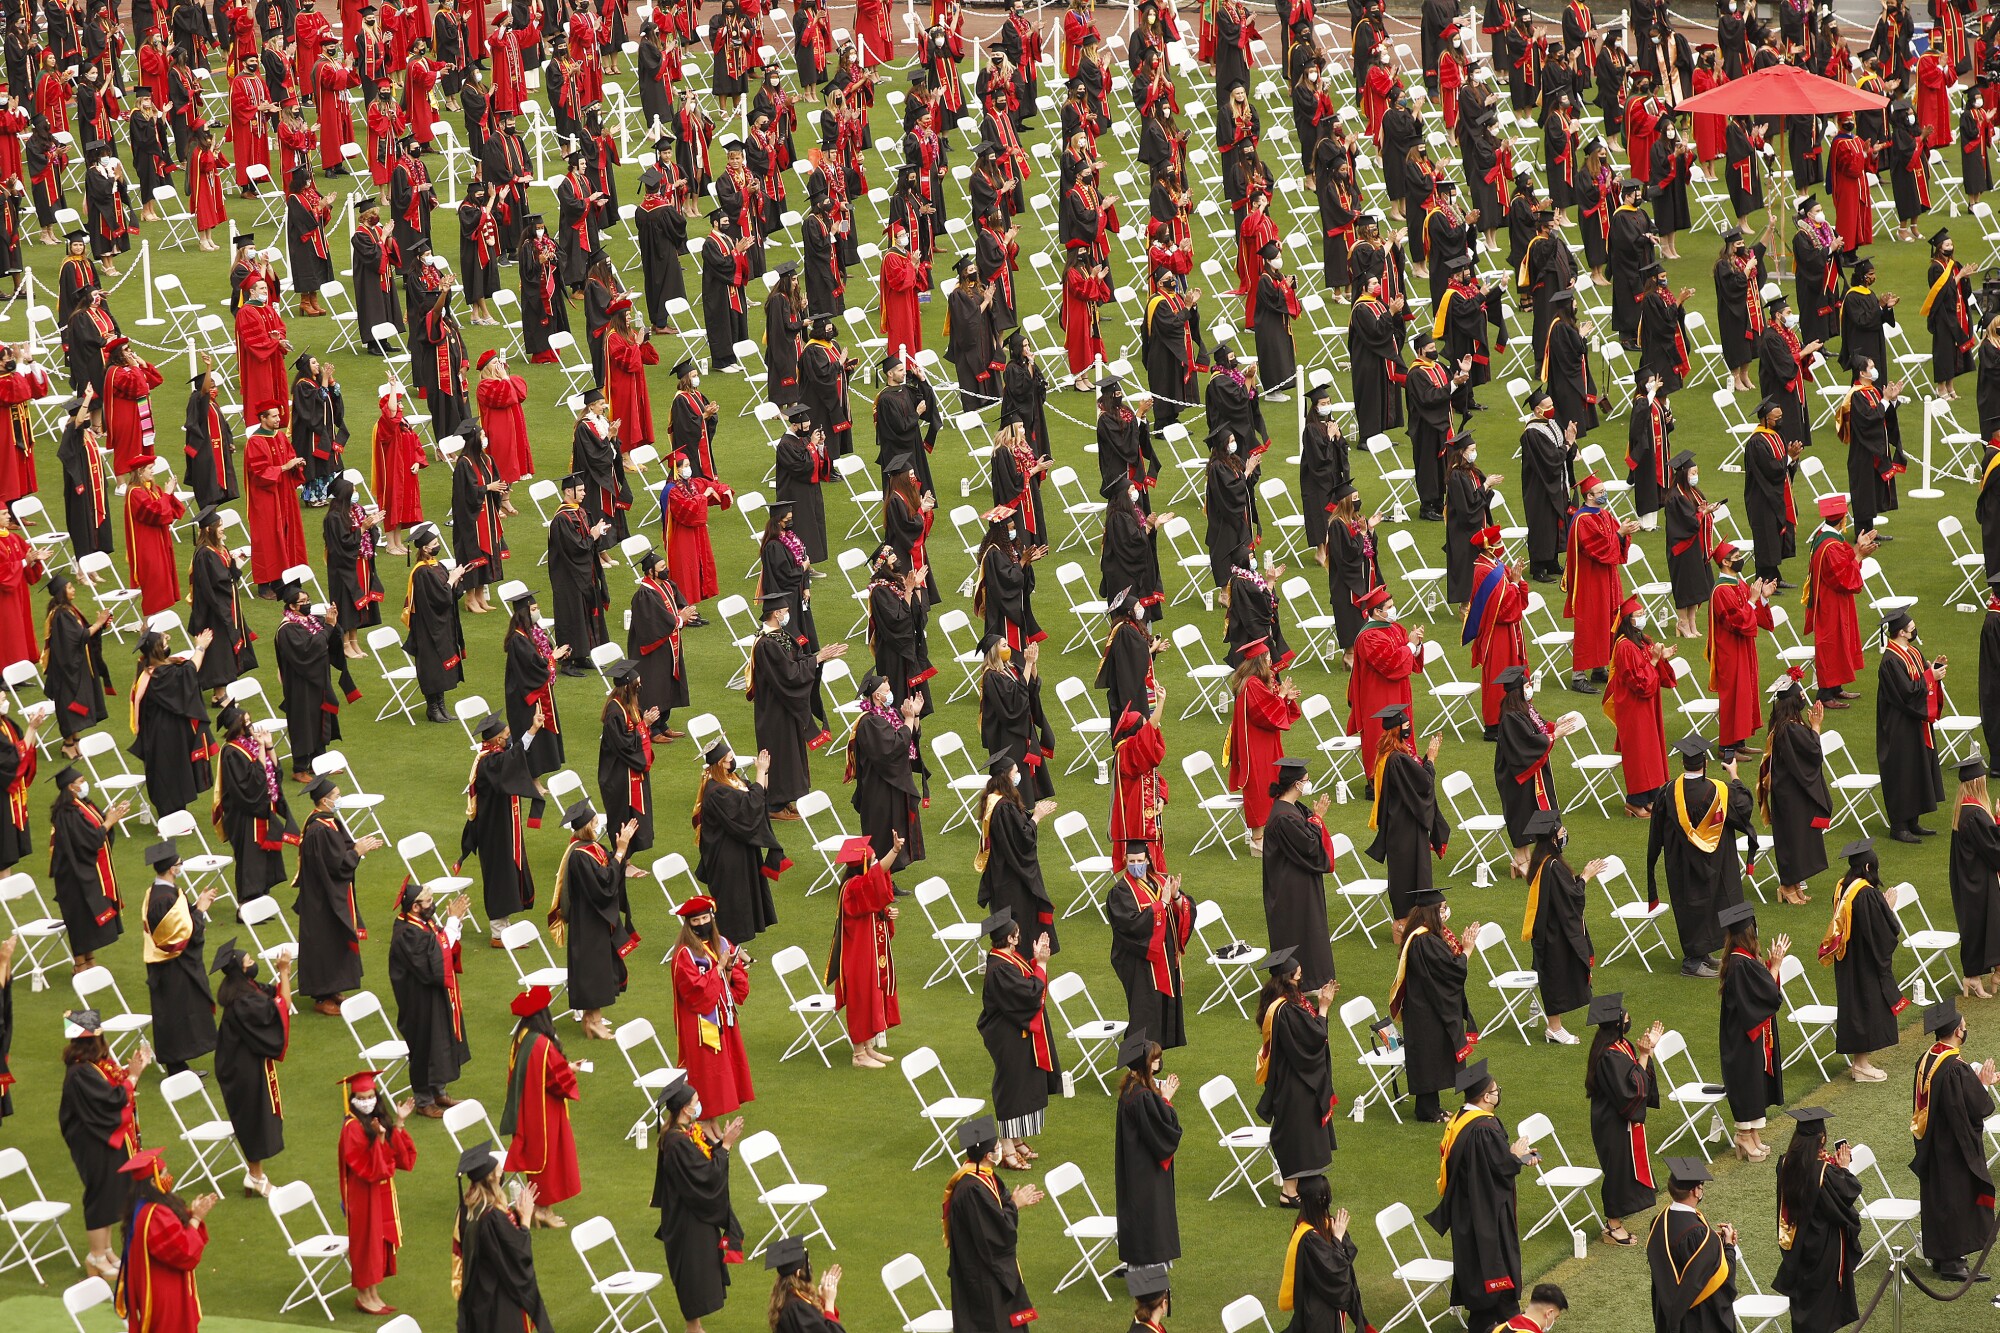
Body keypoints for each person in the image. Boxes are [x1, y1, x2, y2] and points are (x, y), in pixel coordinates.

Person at [1425, 1060, 1530, 1333]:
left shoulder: (1462, 1118)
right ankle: (1501, 1318)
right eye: (1495, 1090)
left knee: (1474, 1258)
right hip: (1484, 1208)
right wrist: (1515, 1159)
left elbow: (1486, 1161)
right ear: (1485, 1097)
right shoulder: (1482, 1128)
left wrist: (1516, 1157)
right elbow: (1496, 1169)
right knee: (1492, 1257)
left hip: (1467, 1204)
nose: (1498, 1093)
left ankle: (1484, 1318)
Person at [1646, 735, 1755, 977]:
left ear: (1684, 763)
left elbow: (1657, 830)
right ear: (1704, 762)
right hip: (1716, 859)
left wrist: (1655, 855)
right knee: (1713, 900)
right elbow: (1745, 807)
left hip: (1682, 862)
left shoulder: (1667, 791)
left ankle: (1701, 953)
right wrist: (1735, 776)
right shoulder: (1719, 791)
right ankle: (1691, 963)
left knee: (1691, 904)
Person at [650, 1071, 746, 1333]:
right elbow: (703, 1176)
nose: (699, 1104)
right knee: (693, 1270)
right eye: (696, 1100)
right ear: (684, 1108)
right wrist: (725, 1147)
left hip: (693, 1212)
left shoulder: (686, 1132)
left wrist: (720, 1146)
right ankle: (692, 1328)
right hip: (685, 1218)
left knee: (702, 1266)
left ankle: (696, 1326)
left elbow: (703, 1161)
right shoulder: (675, 1141)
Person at [1911, 999, 1999, 1283]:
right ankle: (1951, 1262)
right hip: (1952, 1146)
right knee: (1954, 1199)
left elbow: (1947, 1098)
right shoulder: (1953, 1067)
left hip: (1932, 1142)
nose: (1965, 1028)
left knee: (1938, 1197)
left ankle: (1941, 1256)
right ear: (1957, 1032)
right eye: (1964, 1025)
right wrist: (1983, 1083)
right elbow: (1973, 1109)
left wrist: (1973, 1081)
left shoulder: (1928, 1058)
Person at [60, 1009, 146, 1278]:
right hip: (93, 1141)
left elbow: (110, 1089)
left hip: (105, 1138)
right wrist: (132, 1077)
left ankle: (106, 1249)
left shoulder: (94, 1066)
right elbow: (109, 1102)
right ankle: (95, 1257)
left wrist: (129, 1072)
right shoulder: (80, 1072)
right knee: (100, 1194)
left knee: (111, 1193)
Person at [1255, 947, 1339, 1206]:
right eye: (1297, 977)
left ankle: (1294, 1188)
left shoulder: (1279, 1005)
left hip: (1290, 1078)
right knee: (1294, 1134)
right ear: (1286, 979)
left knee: (1297, 1132)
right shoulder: (1286, 1010)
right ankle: (1288, 1192)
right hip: (1295, 1081)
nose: (1301, 981)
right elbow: (1312, 1039)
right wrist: (1323, 1008)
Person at [978, 907, 1060, 1168]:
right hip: (1008, 1036)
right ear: (1010, 938)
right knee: (1012, 1088)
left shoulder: (1006, 959)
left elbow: (1025, 980)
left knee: (1023, 1085)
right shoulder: (999, 968)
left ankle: (1016, 1138)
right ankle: (1006, 1146)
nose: (1020, 935)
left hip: (1017, 1033)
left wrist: (1036, 961)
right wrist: (1043, 966)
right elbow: (1028, 994)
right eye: (1017, 933)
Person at [943, 1115, 1042, 1331]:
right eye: (997, 1145)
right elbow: (995, 1232)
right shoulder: (971, 1188)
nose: (1000, 1148)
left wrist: (1014, 1202)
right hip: (982, 1272)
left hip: (982, 1264)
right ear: (989, 1155)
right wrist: (1014, 1206)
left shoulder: (981, 1174)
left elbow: (997, 1203)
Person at [210, 937, 290, 1197]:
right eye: (249, 961)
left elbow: (272, 994)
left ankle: (256, 1174)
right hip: (240, 1070)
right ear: (240, 970)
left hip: (242, 1061)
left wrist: (280, 979)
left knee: (258, 1115)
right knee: (254, 1118)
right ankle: (255, 1176)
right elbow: (282, 1007)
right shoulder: (243, 1001)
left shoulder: (245, 988)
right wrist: (285, 972)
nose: (253, 963)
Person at [294, 776, 381, 1014]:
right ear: (324, 801)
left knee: (334, 941)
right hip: (322, 898)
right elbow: (336, 866)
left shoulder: (328, 823)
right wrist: (356, 852)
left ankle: (333, 989)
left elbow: (341, 849)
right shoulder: (318, 830)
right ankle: (322, 998)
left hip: (327, 894)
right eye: (336, 796)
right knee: (325, 943)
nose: (340, 799)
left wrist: (358, 846)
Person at [1772, 1106, 1862, 1333]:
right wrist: (1844, 1168)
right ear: (1821, 1138)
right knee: (1822, 1310)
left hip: (1797, 1246)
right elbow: (1847, 1191)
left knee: (1803, 1304)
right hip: (1822, 1247)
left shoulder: (1784, 1164)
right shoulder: (1824, 1172)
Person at [386, 878, 471, 1119]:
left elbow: (439, 945)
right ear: (415, 906)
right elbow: (434, 960)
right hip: (418, 1000)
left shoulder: (423, 920)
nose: (433, 905)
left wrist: (454, 925)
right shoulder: (407, 933)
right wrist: (452, 922)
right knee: (425, 1046)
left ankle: (438, 1092)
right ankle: (424, 1100)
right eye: (429, 901)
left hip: (433, 993)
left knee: (440, 1039)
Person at [1393, 887, 1479, 1123]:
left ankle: (1434, 1106)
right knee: (1429, 1056)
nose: (1445, 912)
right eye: (1441, 909)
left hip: (1427, 1004)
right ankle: (1426, 1110)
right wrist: (1468, 950)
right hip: (1426, 1009)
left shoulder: (1426, 936)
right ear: (1431, 912)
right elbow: (1451, 969)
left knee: (1434, 1055)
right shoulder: (1424, 941)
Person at [1822, 838, 1903, 1084]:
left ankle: (1861, 1063)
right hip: (1864, 962)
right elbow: (1882, 933)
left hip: (1848, 960)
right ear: (1868, 868)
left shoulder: (1843, 887)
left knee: (1856, 1006)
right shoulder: (1866, 894)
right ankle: (1861, 1065)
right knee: (1865, 1006)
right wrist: (1887, 908)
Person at [336, 1069, 417, 1315]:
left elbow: (399, 1158)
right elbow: (369, 1168)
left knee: (378, 1240)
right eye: (361, 1097)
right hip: (362, 1193)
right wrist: (380, 1141)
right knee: (365, 1242)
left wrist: (399, 1122)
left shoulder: (377, 1120)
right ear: (352, 1100)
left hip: (378, 1192)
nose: (367, 1101)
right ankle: (363, 1295)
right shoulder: (351, 1128)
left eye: (371, 1095)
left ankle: (373, 1293)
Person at [1583, 994, 1661, 1246]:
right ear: (1616, 1024)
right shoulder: (1608, 1056)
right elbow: (1631, 1091)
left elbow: (1638, 1079)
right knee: (1617, 1170)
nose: (1628, 1021)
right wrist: (1646, 1055)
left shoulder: (1622, 1045)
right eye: (1625, 1019)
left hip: (1618, 1119)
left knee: (1624, 1167)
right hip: (1612, 1123)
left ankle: (1616, 1220)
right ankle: (1612, 1226)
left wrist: (1644, 1053)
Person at [111, 1149, 218, 1333]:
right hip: (165, 1292)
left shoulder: (142, 1206)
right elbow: (184, 1251)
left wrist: (191, 1214)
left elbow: (175, 1233)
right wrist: (197, 1219)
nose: (169, 1177)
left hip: (160, 1284)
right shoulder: (154, 1215)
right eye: (164, 1174)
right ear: (153, 1182)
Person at [499, 984, 580, 1228]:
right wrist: (570, 1072)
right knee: (547, 1158)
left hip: (526, 1106)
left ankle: (537, 1209)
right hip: (544, 1110)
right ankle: (543, 1210)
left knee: (537, 1156)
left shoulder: (522, 1038)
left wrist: (568, 1067)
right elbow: (557, 1079)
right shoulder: (542, 1045)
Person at [452, 1141, 554, 1333]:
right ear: (491, 1178)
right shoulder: (492, 1217)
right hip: (499, 1297)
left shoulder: (469, 1209)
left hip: (480, 1293)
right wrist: (524, 1219)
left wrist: (514, 1214)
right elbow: (518, 1253)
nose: (501, 1171)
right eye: (498, 1170)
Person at [668, 894, 754, 1117]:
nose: (701, 924)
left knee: (725, 1067)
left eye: (705, 919)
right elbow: (695, 992)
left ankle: (714, 1117)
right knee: (707, 1071)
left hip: (723, 1015)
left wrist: (728, 968)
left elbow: (736, 982)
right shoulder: (684, 954)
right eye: (695, 921)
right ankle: (705, 1117)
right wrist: (719, 969)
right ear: (688, 924)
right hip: (700, 1022)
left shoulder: (722, 943)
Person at [1714, 902, 1786, 1160]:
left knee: (1755, 1082)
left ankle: (1753, 1133)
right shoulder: (1740, 963)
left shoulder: (1741, 960)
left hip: (1744, 1037)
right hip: (1741, 1040)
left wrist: (1770, 968)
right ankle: (1743, 1136)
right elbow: (1765, 994)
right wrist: (1775, 967)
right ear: (1749, 935)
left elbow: (1760, 989)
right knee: (1747, 1082)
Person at [140, 840, 217, 1074]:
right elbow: (178, 939)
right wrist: (200, 911)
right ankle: (176, 1067)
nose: (181, 866)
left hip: (171, 966)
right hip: (171, 966)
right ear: (173, 869)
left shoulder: (159, 892)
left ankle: (180, 1064)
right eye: (179, 863)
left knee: (178, 1012)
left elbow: (178, 925)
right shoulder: (163, 899)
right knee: (174, 1014)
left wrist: (195, 907)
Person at [1520, 810, 1597, 1044]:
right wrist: (1585, 877)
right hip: (1553, 934)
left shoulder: (1543, 862)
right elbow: (1572, 896)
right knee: (1555, 977)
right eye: (1562, 832)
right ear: (1553, 838)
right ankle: (1554, 1028)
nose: (1565, 835)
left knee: (1557, 974)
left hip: (1550, 929)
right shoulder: (1552, 866)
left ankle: (1554, 1026)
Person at [1107, 840, 1193, 1050]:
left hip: (1166, 961)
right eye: (1131, 861)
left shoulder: (1161, 881)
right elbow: (1131, 925)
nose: (1136, 865)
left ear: (1147, 860)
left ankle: (1152, 1066)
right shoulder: (1120, 892)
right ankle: (1135, 1069)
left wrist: (1175, 896)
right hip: (1141, 964)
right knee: (1143, 1018)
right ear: (1126, 861)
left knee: (1160, 1017)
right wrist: (1161, 905)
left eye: (1140, 861)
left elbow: (1185, 909)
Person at [1366, 706, 1450, 917]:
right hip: (1407, 827)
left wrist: (1426, 759)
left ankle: (1409, 917)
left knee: (1403, 873)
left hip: (1399, 825)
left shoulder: (1388, 755)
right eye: (1405, 726)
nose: (1409, 729)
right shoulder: (1397, 760)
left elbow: (1413, 779)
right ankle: (1408, 920)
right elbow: (1424, 784)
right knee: (1411, 873)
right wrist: (1430, 758)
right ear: (1397, 730)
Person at [827, 834, 903, 1067]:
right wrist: (894, 852)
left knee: (873, 995)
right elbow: (873, 882)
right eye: (872, 860)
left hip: (867, 952)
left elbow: (872, 905)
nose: (875, 863)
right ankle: (858, 1055)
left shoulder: (859, 887)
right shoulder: (852, 888)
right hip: (857, 957)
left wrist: (885, 915)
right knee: (862, 1000)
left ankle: (868, 1047)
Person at [1262, 756, 1336, 989]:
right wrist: (1318, 818)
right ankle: (1303, 980)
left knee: (1311, 930)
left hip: (1299, 882)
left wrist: (1313, 818)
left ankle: (1313, 977)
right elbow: (1309, 846)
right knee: (1301, 931)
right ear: (1296, 784)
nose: (1308, 783)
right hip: (1290, 888)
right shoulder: (1283, 817)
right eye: (1306, 780)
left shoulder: (1291, 808)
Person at [976, 754, 1057, 957]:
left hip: (1002, 872)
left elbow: (1014, 828)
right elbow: (1021, 841)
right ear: (1006, 776)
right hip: (1011, 877)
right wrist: (1036, 817)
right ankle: (1015, 961)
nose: (1019, 775)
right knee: (1017, 920)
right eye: (1015, 772)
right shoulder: (1003, 807)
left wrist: (1030, 816)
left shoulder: (994, 800)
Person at [1645, 1158, 1739, 1332]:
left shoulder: (1659, 1222)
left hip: (1667, 1313)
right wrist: (1727, 1246)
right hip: (1697, 1319)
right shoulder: (1700, 1236)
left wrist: (1714, 1244)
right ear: (1695, 1191)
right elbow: (1723, 1278)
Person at [1113, 1031, 1181, 1268]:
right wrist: (1167, 1099)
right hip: (1145, 1170)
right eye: (1154, 1059)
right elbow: (1164, 1128)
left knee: (1143, 1216)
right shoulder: (1141, 1097)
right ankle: (1148, 1277)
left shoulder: (1131, 1088)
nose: (1158, 1063)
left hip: (1136, 1166)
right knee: (1150, 1216)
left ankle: (1142, 1270)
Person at [1563, 474, 1636, 694]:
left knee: (1608, 619)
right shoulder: (1582, 519)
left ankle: (1599, 667)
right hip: (1589, 580)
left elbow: (1612, 540)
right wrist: (1619, 534)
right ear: (1589, 495)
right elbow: (1597, 548)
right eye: (1600, 492)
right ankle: (1578, 676)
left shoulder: (1603, 514)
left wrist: (1623, 533)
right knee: (1590, 623)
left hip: (1606, 577)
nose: (1604, 494)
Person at [1879, 609, 1946, 842]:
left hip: (1915, 722)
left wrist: (1933, 671)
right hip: (1898, 725)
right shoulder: (1890, 661)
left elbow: (1920, 680)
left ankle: (1913, 821)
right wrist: (1930, 678)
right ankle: (1899, 826)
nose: (1914, 630)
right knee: (1903, 771)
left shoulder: (1914, 653)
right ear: (1901, 633)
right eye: (1911, 627)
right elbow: (1906, 693)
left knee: (1918, 767)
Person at [1277, 1174, 1369, 1331]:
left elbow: (1344, 1259)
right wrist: (1338, 1239)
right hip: (1320, 1312)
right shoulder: (1308, 1237)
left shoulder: (1316, 1224)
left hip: (1320, 1303)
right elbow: (1336, 1271)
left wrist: (1338, 1237)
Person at [1707, 542, 1774, 759]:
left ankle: (1739, 742)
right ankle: (1726, 748)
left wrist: (1763, 596)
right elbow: (1736, 623)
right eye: (1735, 556)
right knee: (1732, 697)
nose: (1740, 558)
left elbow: (1755, 614)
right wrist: (1754, 600)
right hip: (1730, 651)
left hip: (1743, 648)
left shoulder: (1738, 583)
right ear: (1725, 562)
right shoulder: (1720, 591)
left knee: (1745, 692)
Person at [852, 672, 927, 861]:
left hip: (891, 784)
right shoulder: (869, 722)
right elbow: (894, 748)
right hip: (879, 788)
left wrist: (915, 715)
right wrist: (908, 719)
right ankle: (877, 880)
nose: (891, 693)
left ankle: (887, 879)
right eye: (887, 690)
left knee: (894, 831)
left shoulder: (887, 714)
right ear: (877, 696)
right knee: (882, 836)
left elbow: (908, 738)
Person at [1803, 496, 1870, 709]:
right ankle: (1824, 695)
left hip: (1834, 599)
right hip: (1830, 602)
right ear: (1841, 520)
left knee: (1841, 641)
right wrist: (1859, 556)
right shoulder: (1829, 545)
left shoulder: (1826, 537)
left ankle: (1836, 688)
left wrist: (1857, 548)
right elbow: (1842, 577)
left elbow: (1842, 560)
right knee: (1831, 645)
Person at [402, 522, 468, 722]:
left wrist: (456, 581)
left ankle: (441, 706)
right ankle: (432, 708)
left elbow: (449, 595)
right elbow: (439, 598)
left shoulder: (437, 566)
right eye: (434, 542)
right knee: (432, 666)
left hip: (442, 624)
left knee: (441, 665)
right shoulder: (422, 572)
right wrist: (451, 579)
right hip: (428, 627)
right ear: (425, 548)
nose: (438, 545)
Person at [1951, 755, 2000, 999]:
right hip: (1978, 881)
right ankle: (1972, 976)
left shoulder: (1965, 808)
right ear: (1977, 783)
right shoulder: (1975, 813)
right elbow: (1994, 849)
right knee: (1977, 927)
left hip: (1971, 879)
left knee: (1976, 927)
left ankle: (1972, 977)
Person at [764, 1235, 846, 1333]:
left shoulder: (786, 1297)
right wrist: (829, 1302)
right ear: (798, 1273)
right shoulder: (797, 1307)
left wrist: (823, 1301)